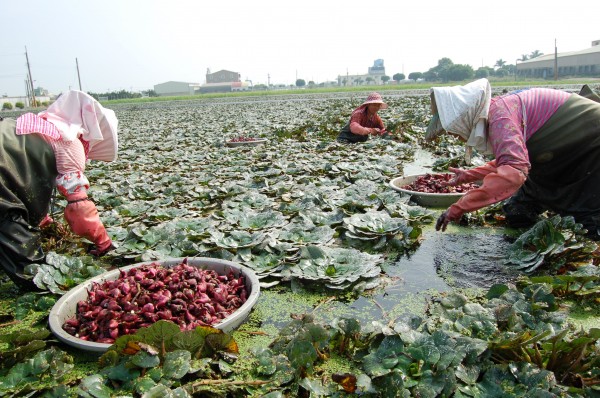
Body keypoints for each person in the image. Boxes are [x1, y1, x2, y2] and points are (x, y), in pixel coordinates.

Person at [425, 78, 600, 240]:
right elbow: (510, 161)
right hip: (556, 152)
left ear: (463, 120)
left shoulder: (500, 117)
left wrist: (458, 207)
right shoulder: (497, 112)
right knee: (518, 211)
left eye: (452, 130)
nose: (454, 136)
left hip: (589, 145)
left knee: (586, 219)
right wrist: (468, 175)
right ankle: (537, 241)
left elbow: (513, 174)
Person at [1, 90, 118, 290]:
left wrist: (44, 220)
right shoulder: (70, 141)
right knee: (15, 236)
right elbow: (79, 206)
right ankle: (35, 282)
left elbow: (27, 177)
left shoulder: (42, 126)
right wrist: (102, 240)